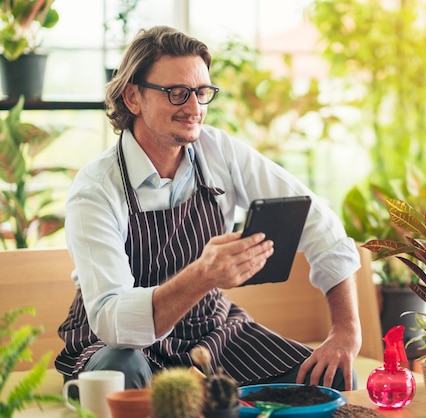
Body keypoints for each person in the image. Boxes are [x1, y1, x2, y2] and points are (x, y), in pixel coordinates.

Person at [55, 25, 362, 392]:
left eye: (201, 92)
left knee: (334, 378)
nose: (194, 108)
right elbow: (112, 320)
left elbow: (318, 222)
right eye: (177, 93)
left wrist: (345, 331)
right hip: (120, 347)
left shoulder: (221, 152)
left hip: (211, 334)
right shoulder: (95, 189)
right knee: (122, 372)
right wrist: (202, 275)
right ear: (133, 97)